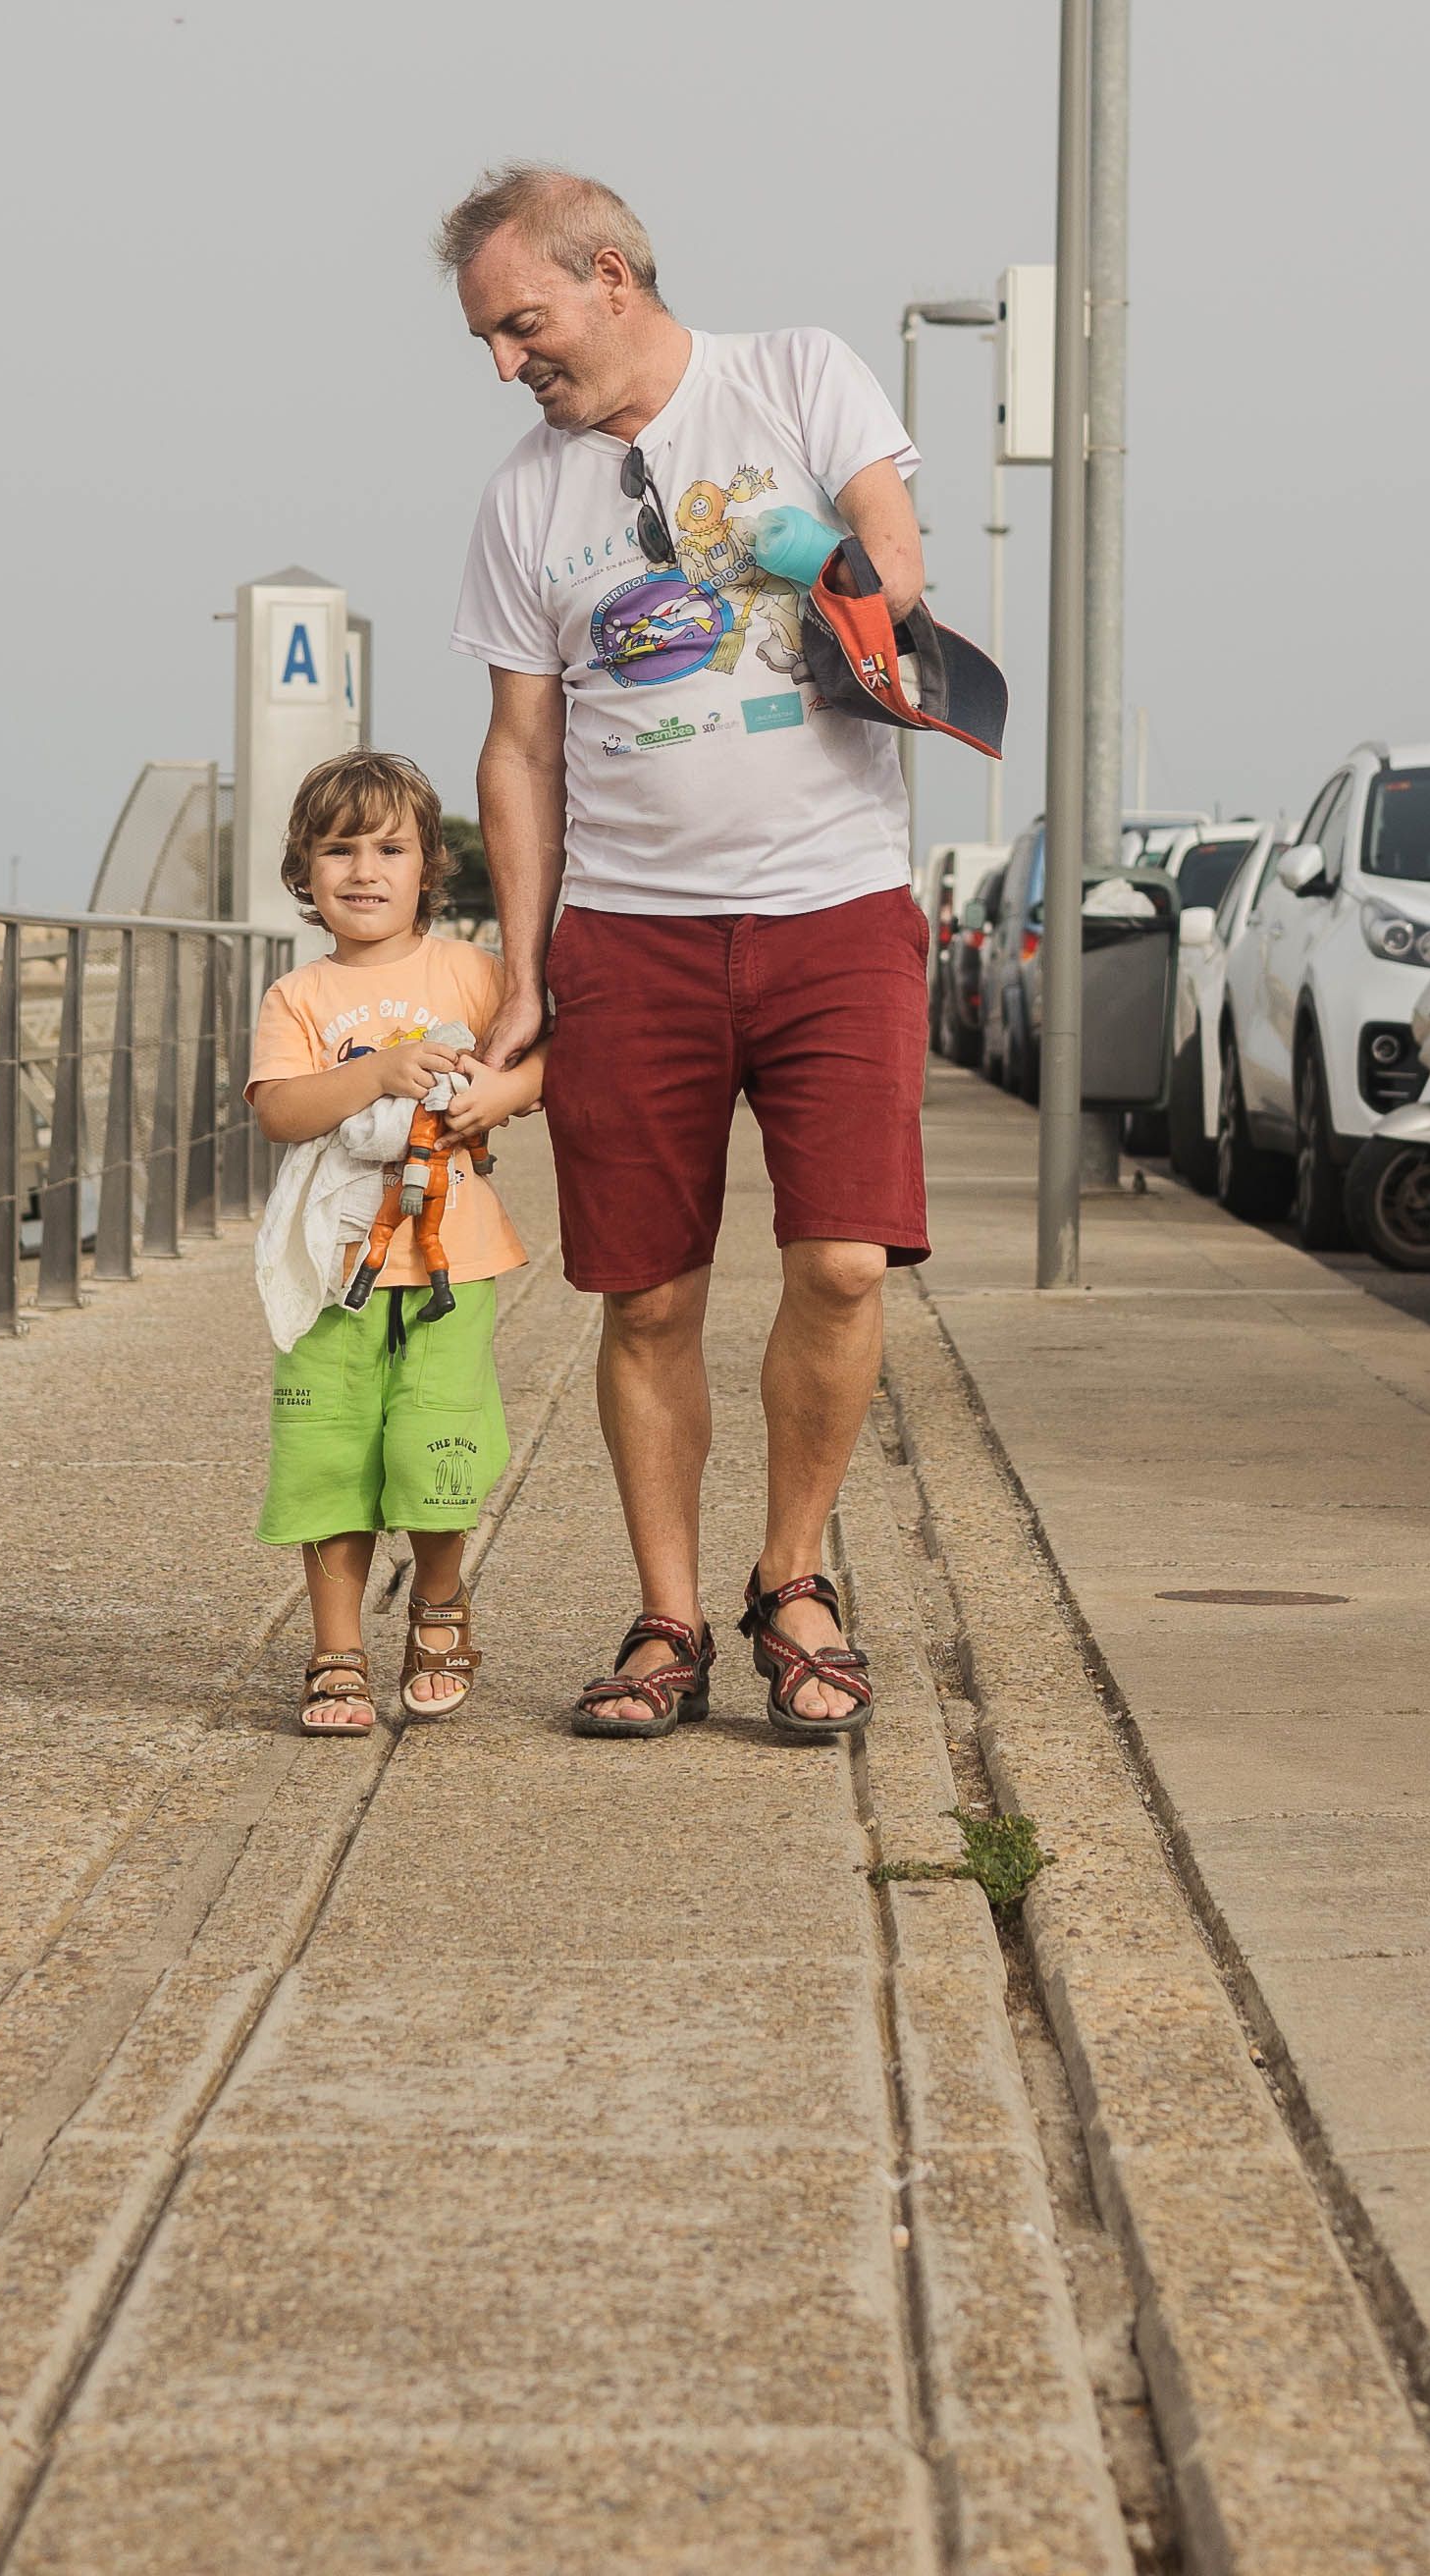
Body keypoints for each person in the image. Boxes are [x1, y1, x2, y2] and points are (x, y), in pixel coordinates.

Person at [442, 164, 933, 1744]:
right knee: (645, 1300)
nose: (510, 365)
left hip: (835, 906)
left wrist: (821, 564)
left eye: (522, 326)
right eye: (490, 341)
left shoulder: (796, 374)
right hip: (631, 938)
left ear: (610, 275)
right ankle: (666, 1616)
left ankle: (793, 1582)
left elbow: (898, 575)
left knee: (844, 1261)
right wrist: (525, 976)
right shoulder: (527, 496)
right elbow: (518, 754)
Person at [244, 748, 540, 1736]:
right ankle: (336, 1650)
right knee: (327, 1447)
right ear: (304, 873)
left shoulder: (475, 971)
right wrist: (380, 1074)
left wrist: (499, 1092)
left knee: (433, 1440)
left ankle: (440, 1607)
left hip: (457, 1254)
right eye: (338, 850)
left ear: (428, 868)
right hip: (335, 1269)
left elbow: (542, 1065)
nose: (364, 870)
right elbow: (283, 1110)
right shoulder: (299, 997)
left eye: (390, 847)